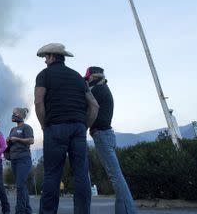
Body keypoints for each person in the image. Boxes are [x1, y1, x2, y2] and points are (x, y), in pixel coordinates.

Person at [34, 43, 99, 214]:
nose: (44, 61)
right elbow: (94, 105)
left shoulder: (44, 75)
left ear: (52, 57)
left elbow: (38, 102)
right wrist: (85, 126)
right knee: (81, 174)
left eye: (45, 57)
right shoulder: (78, 77)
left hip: (55, 128)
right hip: (78, 128)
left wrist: (44, 125)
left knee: (52, 175)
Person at [84, 66, 137, 214]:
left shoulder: (97, 91)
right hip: (106, 135)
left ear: (94, 77)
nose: (86, 81)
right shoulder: (103, 89)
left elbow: (85, 103)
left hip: (102, 135)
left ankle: (131, 211)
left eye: (87, 78)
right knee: (116, 176)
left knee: (116, 177)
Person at [7, 108, 34, 214]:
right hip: (14, 159)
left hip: (23, 159)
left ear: (21, 115)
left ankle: (20, 211)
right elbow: (11, 144)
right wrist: (8, 141)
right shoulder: (12, 130)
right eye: (12, 113)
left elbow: (31, 140)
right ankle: (28, 210)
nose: (13, 115)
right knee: (21, 185)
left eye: (15, 114)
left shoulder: (27, 127)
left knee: (19, 185)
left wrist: (17, 139)